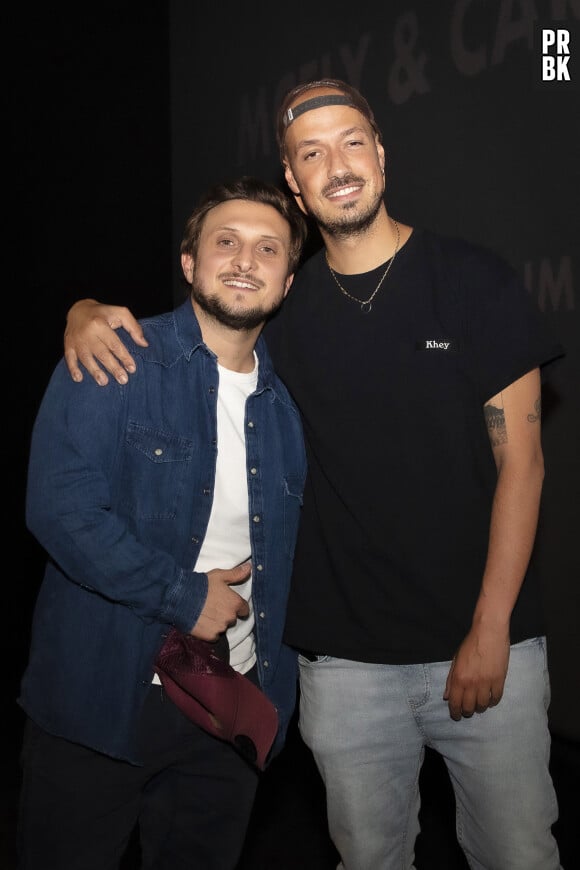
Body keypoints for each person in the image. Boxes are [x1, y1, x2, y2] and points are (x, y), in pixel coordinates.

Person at [59, 80, 565, 870]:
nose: (337, 165)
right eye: (312, 153)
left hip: (484, 646)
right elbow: (191, 330)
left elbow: (524, 465)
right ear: (294, 182)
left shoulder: (474, 280)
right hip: (342, 670)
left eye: (352, 142)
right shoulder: (282, 314)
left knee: (519, 855)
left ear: (381, 156)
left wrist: (491, 629)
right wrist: (83, 309)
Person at [18, 176, 308, 870]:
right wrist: (185, 597)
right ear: (189, 263)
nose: (245, 260)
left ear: (289, 281)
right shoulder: (116, 356)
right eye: (226, 242)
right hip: (101, 704)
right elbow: (60, 510)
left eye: (268, 249)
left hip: (229, 713)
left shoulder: (292, 408)